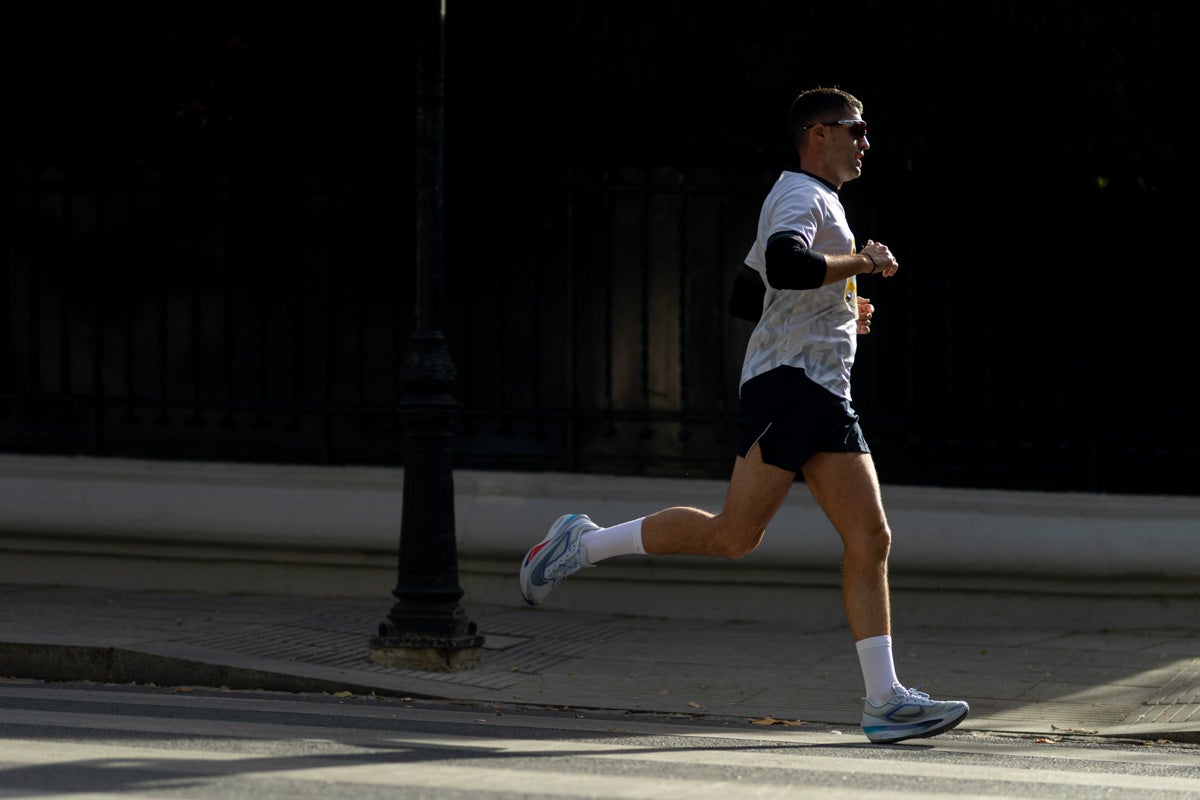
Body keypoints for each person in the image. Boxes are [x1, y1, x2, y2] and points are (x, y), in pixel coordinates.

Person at [518, 87, 968, 745]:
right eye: (856, 129)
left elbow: (744, 294)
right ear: (817, 133)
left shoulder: (814, 201)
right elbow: (786, 264)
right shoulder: (800, 196)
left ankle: (884, 701)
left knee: (867, 538)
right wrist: (864, 264)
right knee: (734, 534)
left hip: (818, 387)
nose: (866, 142)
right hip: (791, 388)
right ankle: (579, 544)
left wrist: (840, 308)